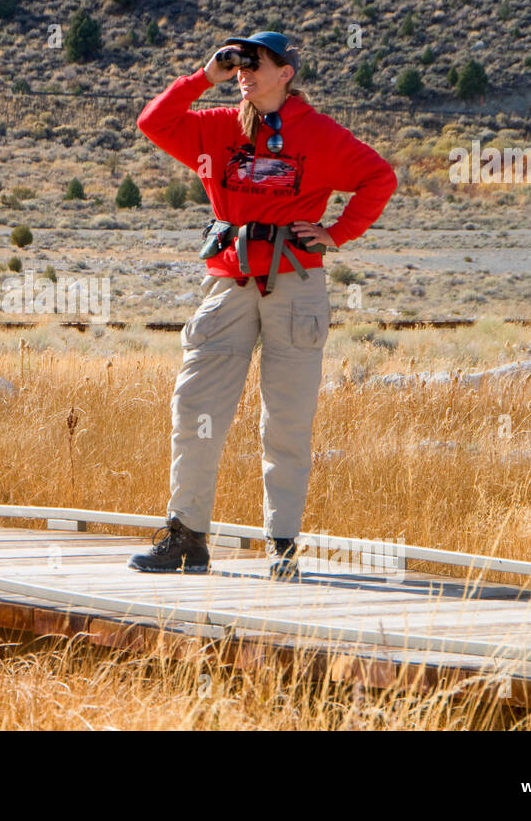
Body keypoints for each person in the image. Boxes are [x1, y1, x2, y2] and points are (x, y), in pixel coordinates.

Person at [128, 31, 397, 579]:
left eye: (259, 63)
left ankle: (282, 545)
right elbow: (153, 122)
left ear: (287, 73)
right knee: (196, 410)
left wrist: (337, 232)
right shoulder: (217, 126)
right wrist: (205, 78)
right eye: (240, 64)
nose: (246, 72)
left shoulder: (317, 133)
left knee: (287, 421)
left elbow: (378, 177)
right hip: (229, 284)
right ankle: (186, 538)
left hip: (295, 284)